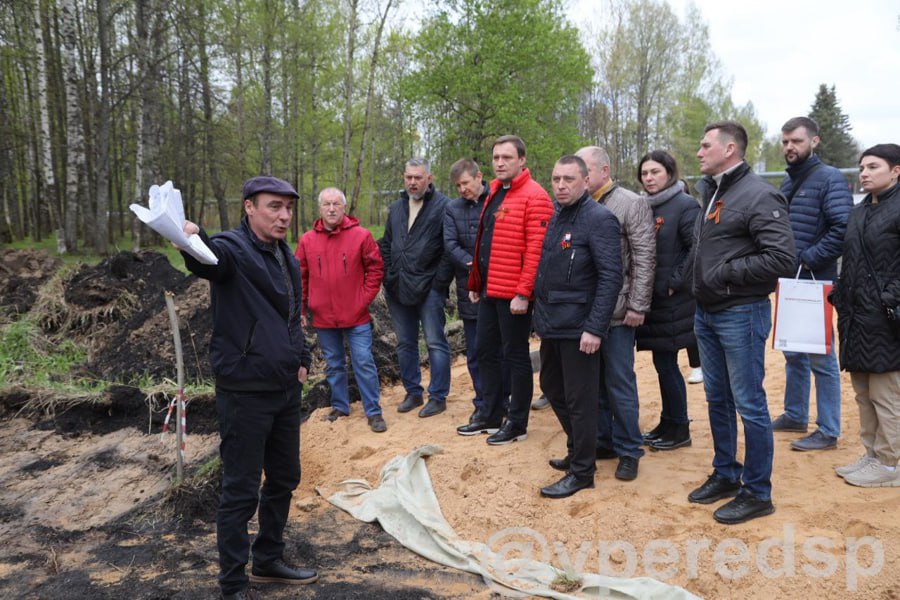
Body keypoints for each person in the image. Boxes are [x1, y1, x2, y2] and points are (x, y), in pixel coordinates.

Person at [179, 175, 317, 600]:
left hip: (284, 389)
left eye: (289, 208)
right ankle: (233, 584)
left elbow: (292, 314)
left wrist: (303, 358)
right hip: (244, 391)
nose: (284, 216)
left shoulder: (284, 254)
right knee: (240, 491)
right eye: (274, 206)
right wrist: (191, 238)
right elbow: (208, 263)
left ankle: (268, 559)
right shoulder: (232, 249)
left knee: (285, 477)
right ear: (249, 207)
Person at [687, 121, 796, 525]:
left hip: (741, 312)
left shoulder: (759, 194)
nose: (699, 152)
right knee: (717, 398)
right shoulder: (713, 191)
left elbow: (781, 258)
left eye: (705, 145)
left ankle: (758, 492)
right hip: (707, 311)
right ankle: (726, 473)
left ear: (730, 149)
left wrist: (724, 274)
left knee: (749, 403)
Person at [534, 155, 622, 498]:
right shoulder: (558, 215)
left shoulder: (599, 219)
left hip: (580, 328)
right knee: (551, 386)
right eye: (556, 179)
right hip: (553, 324)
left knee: (580, 400)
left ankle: (583, 471)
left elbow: (611, 277)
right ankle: (579, 449)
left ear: (586, 182)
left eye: (568, 179)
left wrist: (595, 328)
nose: (560, 185)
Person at [457, 135, 553, 444]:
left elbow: (537, 250)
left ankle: (517, 423)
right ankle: (490, 414)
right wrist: (476, 281)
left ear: (522, 160)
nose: (499, 163)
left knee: (515, 356)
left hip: (514, 295)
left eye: (507, 157)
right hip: (490, 290)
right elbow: (485, 240)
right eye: (496, 157)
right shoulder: (496, 191)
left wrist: (524, 293)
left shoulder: (535, 196)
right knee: (485, 351)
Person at [575, 145, 655, 481]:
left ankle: (629, 450)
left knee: (619, 382)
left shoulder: (631, 203)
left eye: (586, 170)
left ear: (604, 171)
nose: (580, 177)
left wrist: (638, 305)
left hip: (620, 311)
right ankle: (603, 441)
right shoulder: (579, 205)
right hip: (585, 311)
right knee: (594, 384)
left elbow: (644, 257)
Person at [772, 116, 852, 451]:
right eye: (786, 142)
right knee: (793, 351)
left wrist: (808, 258)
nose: (790, 147)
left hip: (815, 280)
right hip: (790, 280)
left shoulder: (830, 178)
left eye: (797, 141)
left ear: (814, 141)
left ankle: (829, 430)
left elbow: (843, 228)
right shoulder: (787, 181)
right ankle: (795, 414)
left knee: (821, 356)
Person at [830, 143, 900, 488]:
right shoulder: (859, 211)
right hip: (856, 317)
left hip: (887, 318)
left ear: (896, 171)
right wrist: (841, 296)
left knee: (886, 395)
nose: (864, 173)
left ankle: (890, 463)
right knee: (863, 392)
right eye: (862, 167)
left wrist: (890, 297)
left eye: (873, 167)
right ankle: (872, 454)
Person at [295, 187, 386, 433]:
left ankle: (373, 412)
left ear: (344, 207)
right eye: (327, 204)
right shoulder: (307, 240)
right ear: (320, 208)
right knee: (334, 364)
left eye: (336, 204)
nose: (332, 209)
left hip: (356, 316)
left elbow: (375, 269)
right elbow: (300, 277)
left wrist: (362, 299)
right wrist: (301, 309)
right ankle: (340, 406)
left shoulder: (361, 236)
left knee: (363, 361)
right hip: (323, 317)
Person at [635, 150, 700, 451]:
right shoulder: (644, 206)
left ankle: (680, 428)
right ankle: (668, 422)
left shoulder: (685, 205)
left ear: (670, 173)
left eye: (655, 172)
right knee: (662, 364)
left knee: (667, 364)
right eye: (644, 173)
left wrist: (674, 282)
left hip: (673, 301)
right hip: (653, 300)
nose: (649, 178)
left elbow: (695, 249)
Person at [378, 158, 453, 418]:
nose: (413, 182)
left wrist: (438, 283)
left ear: (429, 178)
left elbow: (449, 248)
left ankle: (438, 396)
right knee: (405, 343)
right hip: (398, 286)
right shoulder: (396, 208)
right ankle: (413, 392)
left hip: (430, 288)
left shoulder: (444, 207)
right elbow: (386, 243)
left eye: (418, 177)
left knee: (435, 342)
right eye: (409, 177)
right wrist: (388, 274)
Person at [444, 159, 490, 423]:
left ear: (478, 177)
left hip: (499, 285)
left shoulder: (496, 200)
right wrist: (475, 267)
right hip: (469, 288)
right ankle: (481, 402)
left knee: (501, 351)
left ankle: (505, 401)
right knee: (475, 352)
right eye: (457, 186)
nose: (462, 189)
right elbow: (450, 245)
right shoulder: (452, 209)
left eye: (465, 183)